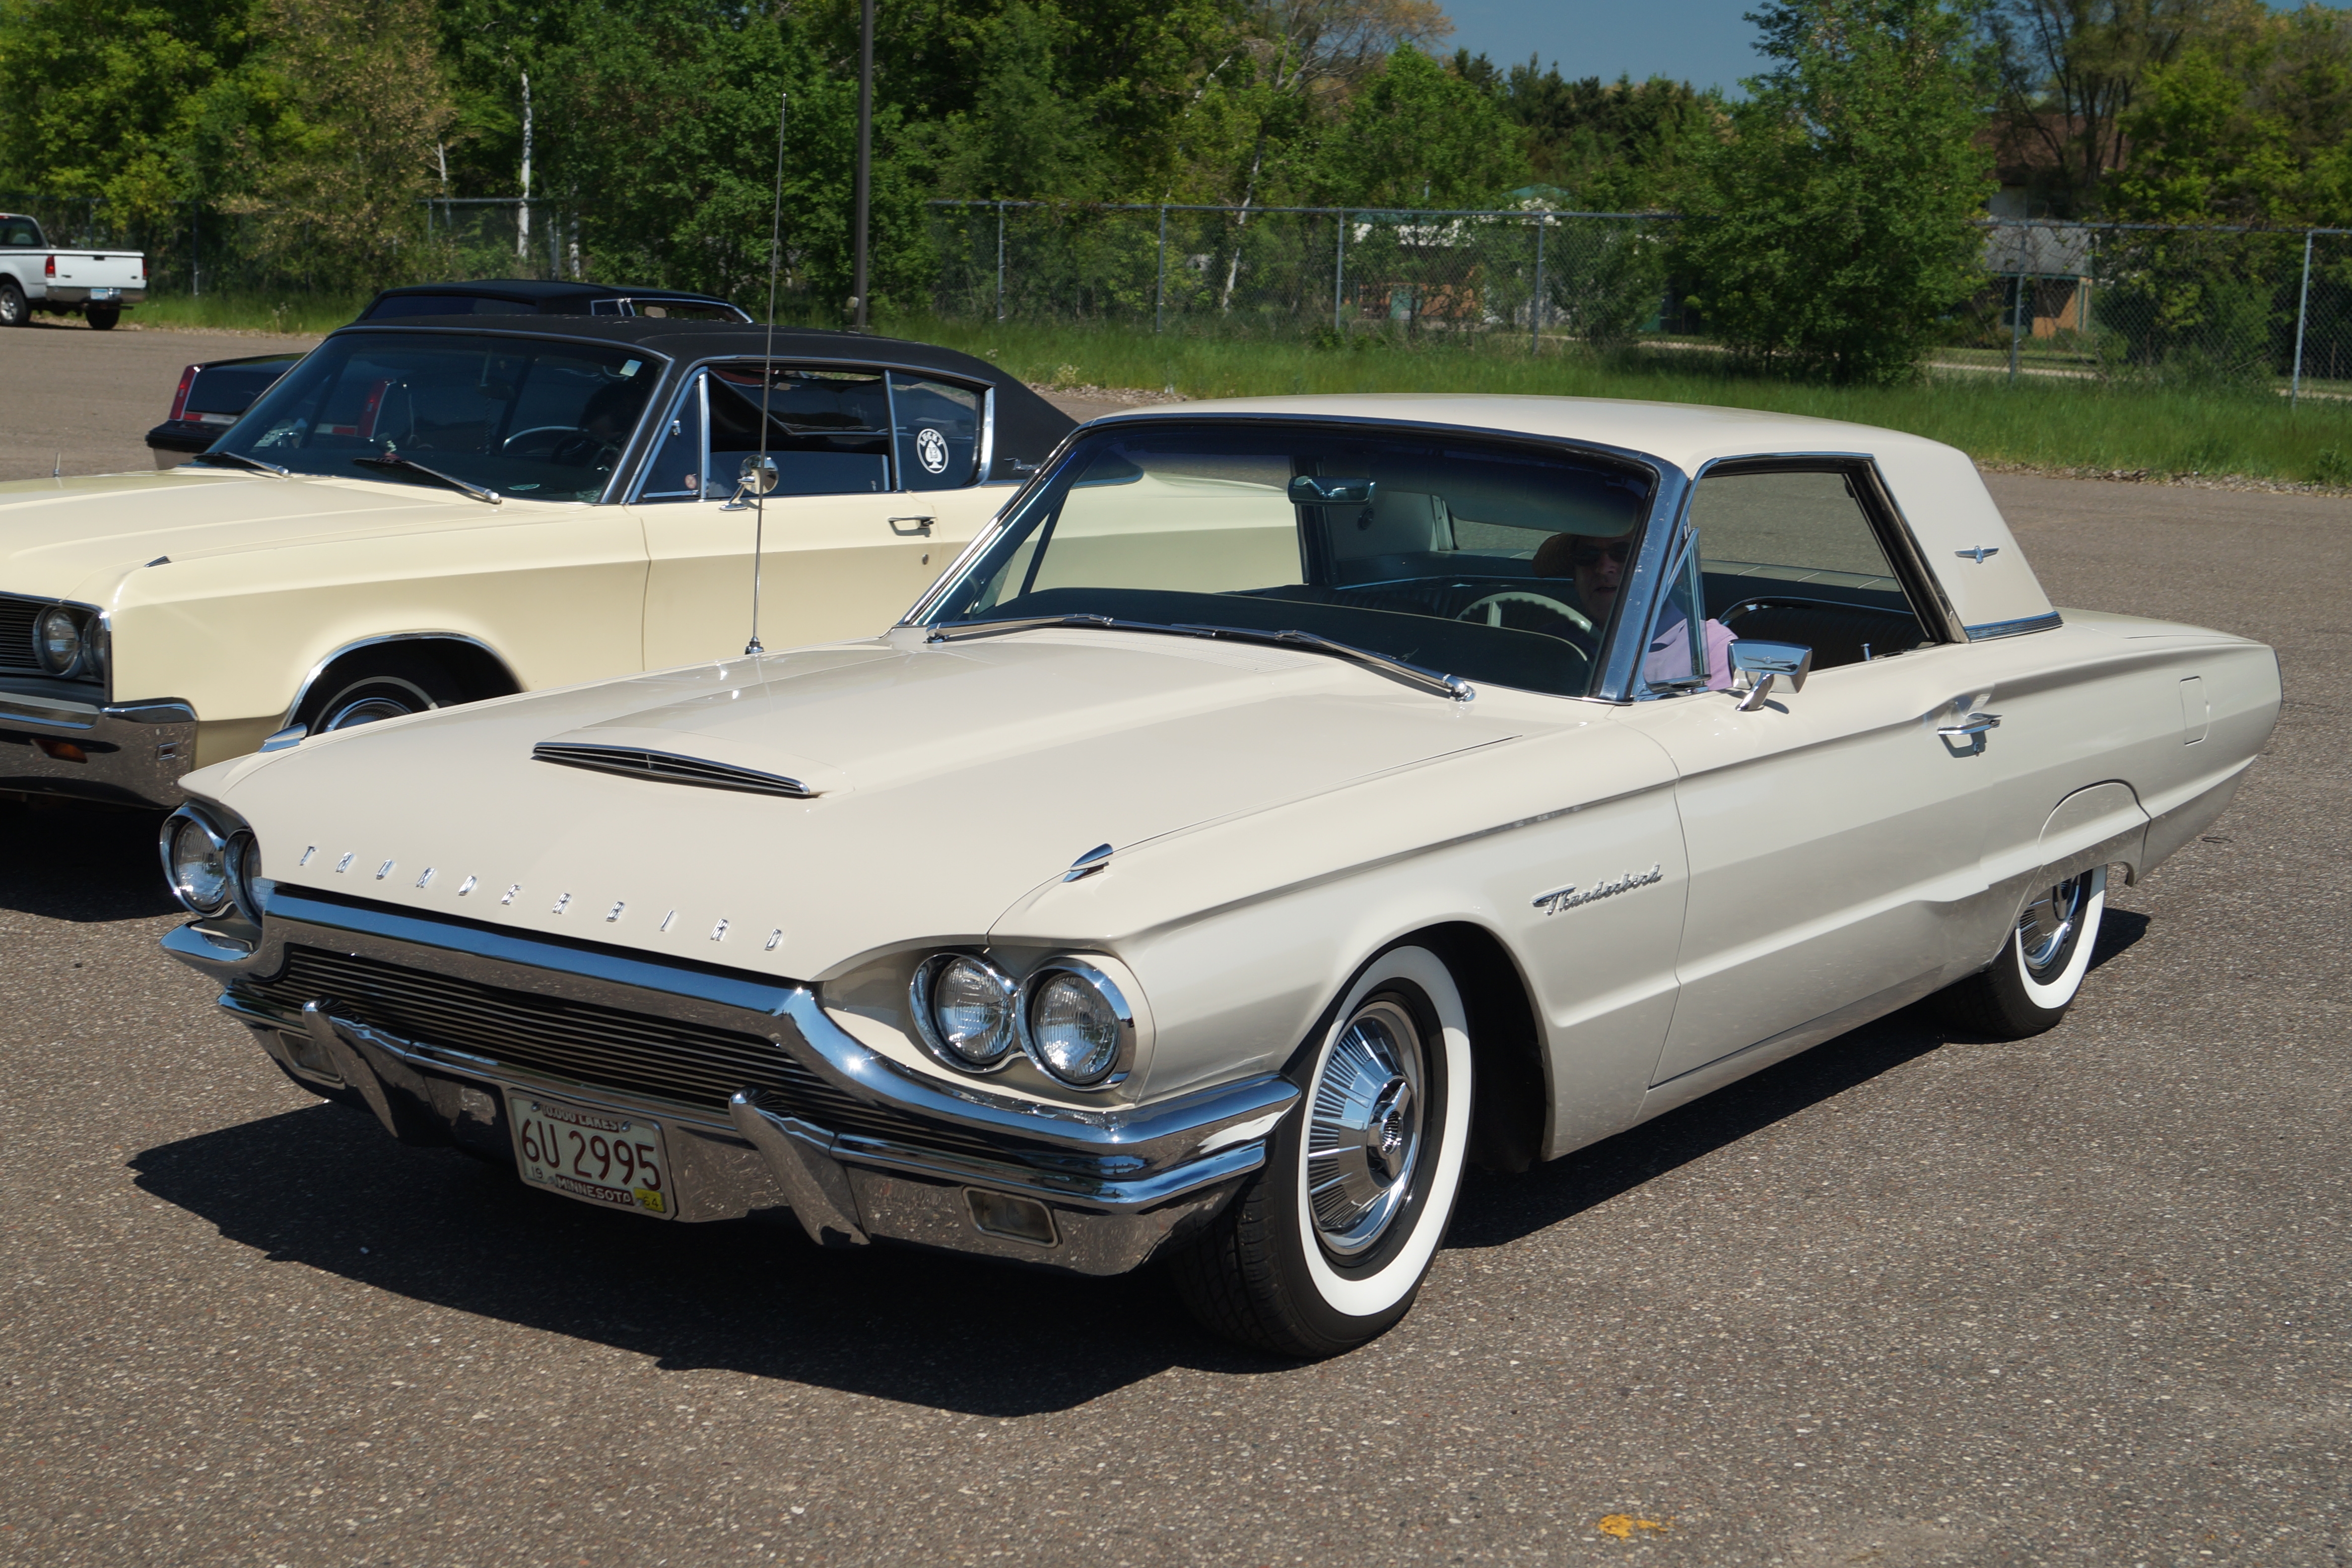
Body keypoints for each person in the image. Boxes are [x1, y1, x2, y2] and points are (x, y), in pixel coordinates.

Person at [1535, 530, 1735, 690]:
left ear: (1666, 571)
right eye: (1588, 556)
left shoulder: (1709, 648)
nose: (1604, 568)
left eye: (1624, 553)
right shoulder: (1552, 641)